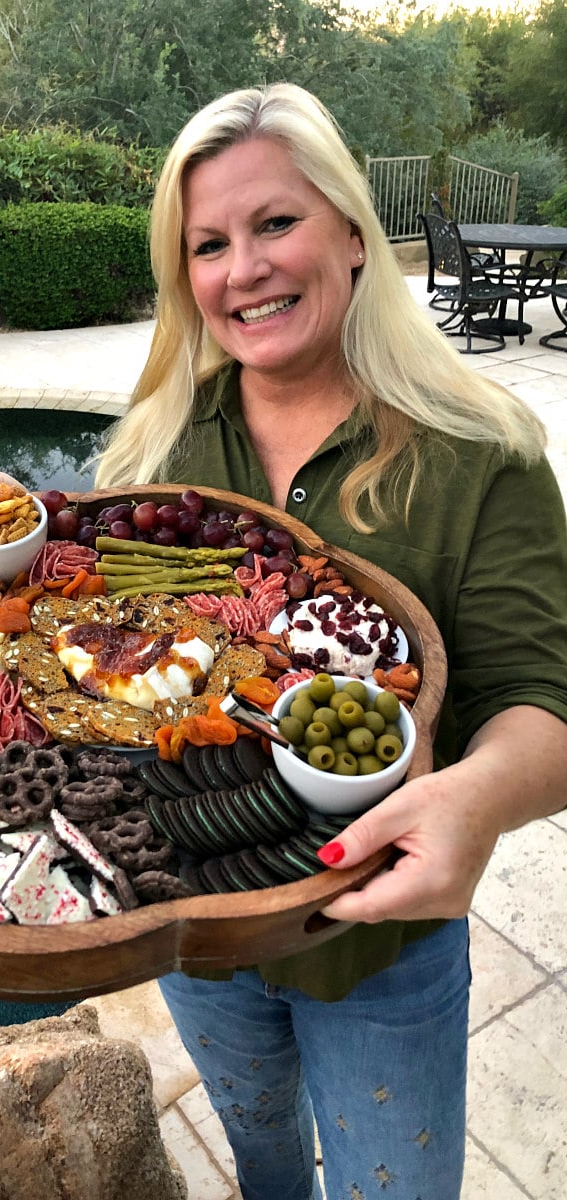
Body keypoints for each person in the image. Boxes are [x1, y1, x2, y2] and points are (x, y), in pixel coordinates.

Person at [93, 83, 567, 1200]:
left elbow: (541, 697)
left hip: (378, 947)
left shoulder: (477, 451)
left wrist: (476, 797)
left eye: (274, 223)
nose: (240, 269)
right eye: (206, 244)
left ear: (352, 233)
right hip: (197, 934)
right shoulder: (152, 455)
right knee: (263, 1162)